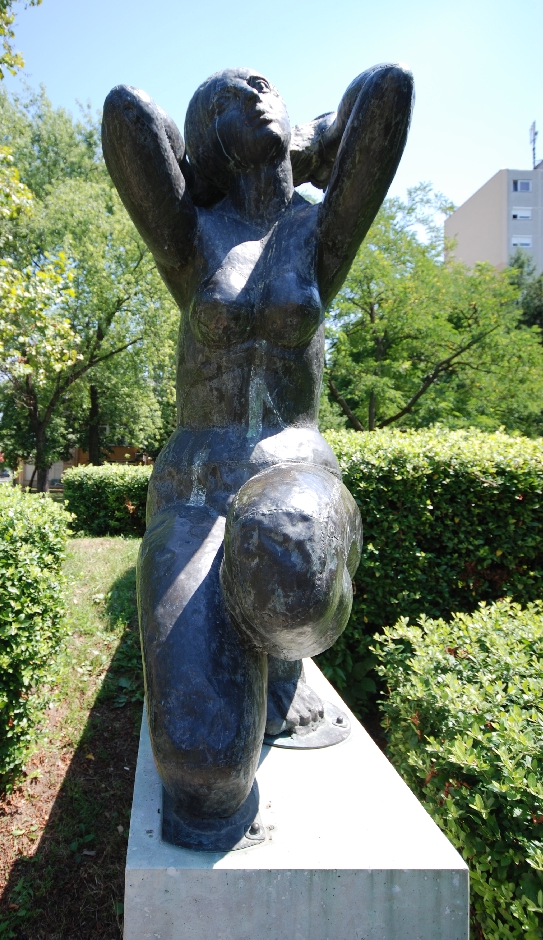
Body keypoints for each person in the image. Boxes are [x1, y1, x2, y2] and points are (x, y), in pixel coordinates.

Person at [102, 64, 414, 840]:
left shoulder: (319, 234)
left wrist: (305, 144)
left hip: (290, 474)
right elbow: (127, 116)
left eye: (260, 82)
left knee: (289, 561)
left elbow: (387, 91)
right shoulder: (191, 238)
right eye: (225, 98)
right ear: (204, 139)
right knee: (202, 779)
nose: (249, 93)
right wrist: (204, 157)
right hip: (195, 487)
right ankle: (243, 678)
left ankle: (280, 657)